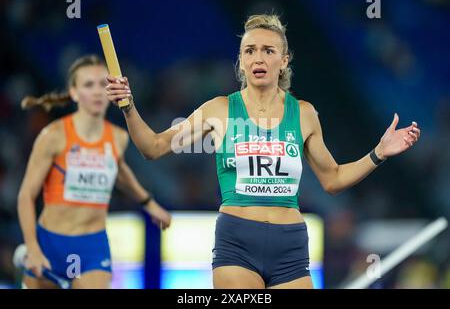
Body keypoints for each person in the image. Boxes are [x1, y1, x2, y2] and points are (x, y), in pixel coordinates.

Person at [105, 14, 421, 289]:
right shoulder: (220, 110)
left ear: (283, 60)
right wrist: (129, 106)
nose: (258, 58)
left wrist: (378, 152)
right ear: (241, 61)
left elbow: (333, 179)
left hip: (291, 244)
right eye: (250, 51)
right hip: (237, 242)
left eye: (268, 51)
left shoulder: (305, 114)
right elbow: (153, 147)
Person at [17, 55, 171, 289]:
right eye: (89, 85)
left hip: (92, 246)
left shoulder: (118, 138)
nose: (98, 92)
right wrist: (33, 248)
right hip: (50, 243)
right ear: (74, 92)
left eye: (103, 84)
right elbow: (26, 196)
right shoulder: (53, 135)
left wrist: (149, 203)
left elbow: (119, 172)